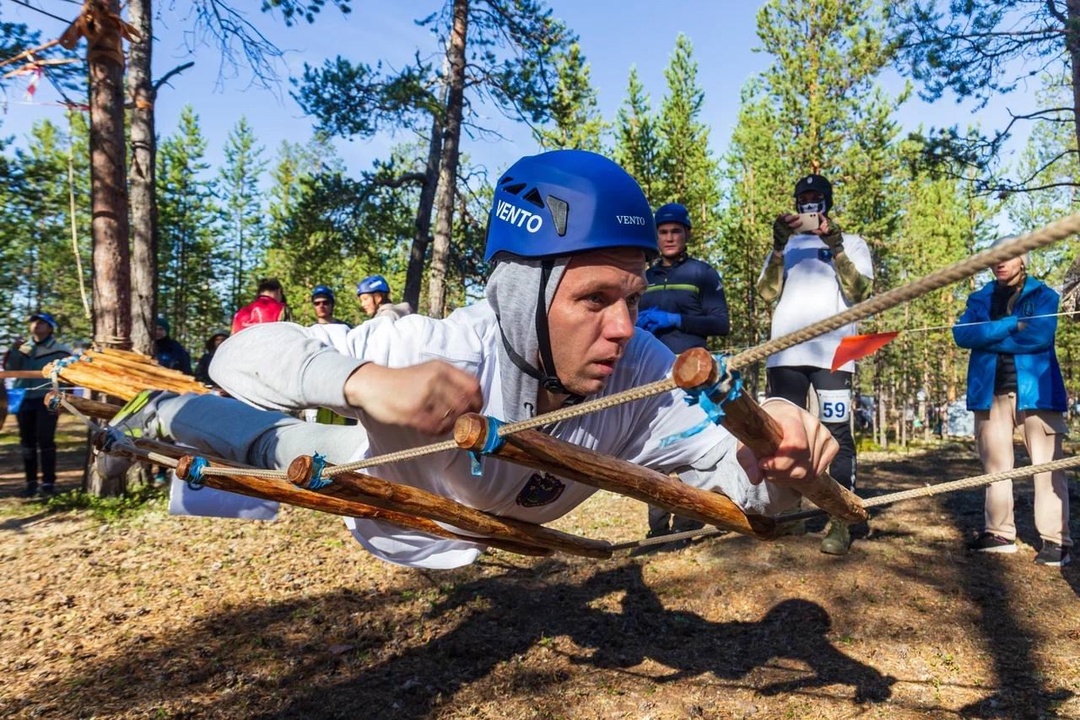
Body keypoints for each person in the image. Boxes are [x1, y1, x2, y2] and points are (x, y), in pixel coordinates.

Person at [103, 150, 838, 570]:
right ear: (521, 298)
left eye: (633, 296)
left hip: (473, 519)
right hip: (390, 489)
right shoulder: (441, 347)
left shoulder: (643, 372)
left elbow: (746, 492)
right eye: (594, 300)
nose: (624, 326)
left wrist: (778, 451)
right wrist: (366, 383)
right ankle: (161, 409)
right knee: (272, 446)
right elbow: (241, 354)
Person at [756, 173, 874, 555]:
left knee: (837, 434)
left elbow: (860, 292)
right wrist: (777, 249)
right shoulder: (786, 245)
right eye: (803, 197)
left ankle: (839, 519)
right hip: (785, 354)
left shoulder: (853, 242)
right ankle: (789, 515)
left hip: (835, 353)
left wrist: (835, 246)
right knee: (781, 436)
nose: (810, 203)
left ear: (827, 201)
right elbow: (766, 294)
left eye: (816, 197)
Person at [953, 237, 1072, 566]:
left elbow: (1038, 337)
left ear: (1024, 257)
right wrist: (1009, 325)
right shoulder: (979, 298)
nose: (1001, 262)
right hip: (989, 392)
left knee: (1046, 466)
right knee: (995, 465)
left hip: (1037, 392)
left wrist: (990, 334)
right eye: (995, 257)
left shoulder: (1044, 295)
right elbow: (963, 334)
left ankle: (1055, 541)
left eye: (1008, 256)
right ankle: (999, 532)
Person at [636, 201, 731, 541]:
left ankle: (693, 516)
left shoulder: (702, 273)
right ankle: (658, 529)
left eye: (676, 231)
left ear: (687, 234)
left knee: (695, 446)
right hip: (651, 375)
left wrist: (677, 320)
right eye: (663, 232)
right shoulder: (642, 277)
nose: (669, 237)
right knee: (653, 446)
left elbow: (722, 323)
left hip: (693, 377)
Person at [3, 312, 71, 497]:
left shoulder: (60, 350)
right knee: (27, 442)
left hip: (47, 398)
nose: (36, 326)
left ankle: (48, 483)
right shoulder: (23, 348)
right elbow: (11, 369)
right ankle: (31, 483)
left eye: (41, 323)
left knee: (46, 440)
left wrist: (63, 400)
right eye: (33, 322)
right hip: (24, 398)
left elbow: (68, 376)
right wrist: (14, 349)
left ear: (50, 327)